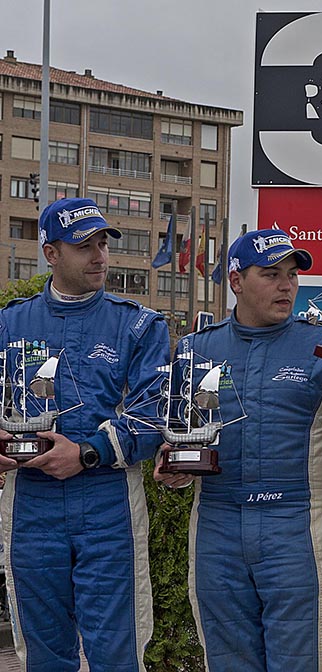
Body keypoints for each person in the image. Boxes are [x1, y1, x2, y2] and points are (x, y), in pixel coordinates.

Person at [155, 229, 322, 671]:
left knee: (298, 662)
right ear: (237, 281)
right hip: (217, 525)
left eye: (292, 275)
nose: (286, 285)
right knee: (227, 662)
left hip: (294, 528)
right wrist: (173, 466)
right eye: (271, 274)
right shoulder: (196, 349)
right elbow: (181, 438)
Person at [0, 198, 169, 670]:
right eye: (83, 247)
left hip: (107, 504)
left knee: (117, 650)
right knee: (41, 651)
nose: (99, 256)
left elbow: (157, 409)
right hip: (29, 504)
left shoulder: (138, 324)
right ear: (50, 253)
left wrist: (88, 453)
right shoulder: (8, 322)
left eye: (102, 245)